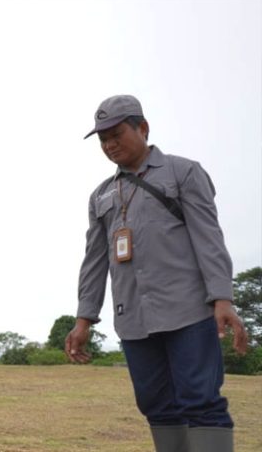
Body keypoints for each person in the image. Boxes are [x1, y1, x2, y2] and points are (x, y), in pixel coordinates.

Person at [65, 95, 248, 452]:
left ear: (143, 128)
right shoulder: (100, 195)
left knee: (201, 401)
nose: (109, 144)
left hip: (188, 312)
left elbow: (209, 238)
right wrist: (84, 318)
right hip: (133, 318)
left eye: (116, 134)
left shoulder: (184, 172)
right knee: (155, 404)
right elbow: (94, 260)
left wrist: (222, 298)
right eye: (103, 139)